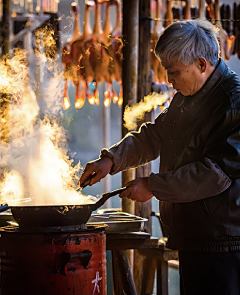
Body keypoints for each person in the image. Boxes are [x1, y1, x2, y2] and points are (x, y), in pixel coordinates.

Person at [79, 19, 240, 295]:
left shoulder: (232, 102)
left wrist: (153, 186)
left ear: (202, 65)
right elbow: (155, 135)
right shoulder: (189, 95)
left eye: (174, 71)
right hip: (195, 238)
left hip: (223, 244)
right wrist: (111, 160)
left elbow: (214, 174)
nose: (169, 80)